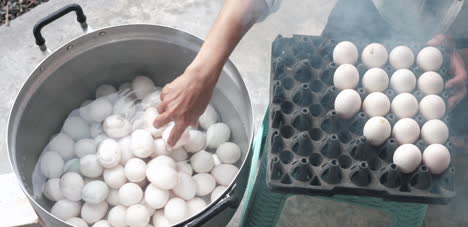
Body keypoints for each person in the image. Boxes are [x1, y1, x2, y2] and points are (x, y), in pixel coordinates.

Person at [155, 0, 468, 148]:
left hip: (457, 45)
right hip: (372, 11)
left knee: (443, 129)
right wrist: (202, 72)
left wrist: (459, 50)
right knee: (328, 104)